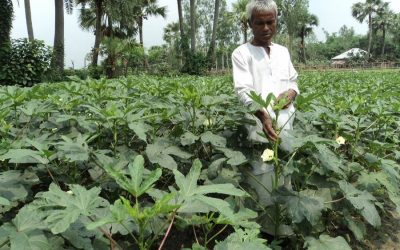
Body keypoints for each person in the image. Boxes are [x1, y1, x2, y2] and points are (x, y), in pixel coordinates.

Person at [232, 0, 299, 206]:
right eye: (259, 23)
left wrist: (291, 93)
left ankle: (283, 228)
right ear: (249, 23)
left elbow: (293, 81)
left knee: (284, 177)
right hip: (259, 128)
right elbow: (244, 91)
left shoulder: (283, 51)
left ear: (276, 21)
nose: (266, 28)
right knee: (263, 177)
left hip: (286, 125)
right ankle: (265, 229)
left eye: (270, 22)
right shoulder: (241, 53)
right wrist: (263, 115)